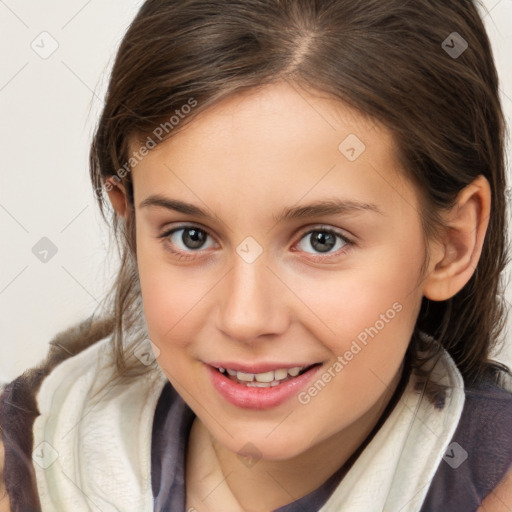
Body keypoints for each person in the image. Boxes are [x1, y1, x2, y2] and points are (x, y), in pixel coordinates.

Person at [1, 0, 511, 510]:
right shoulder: (26, 454)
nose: (245, 319)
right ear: (131, 222)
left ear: (451, 244)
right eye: (191, 236)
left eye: (322, 240)